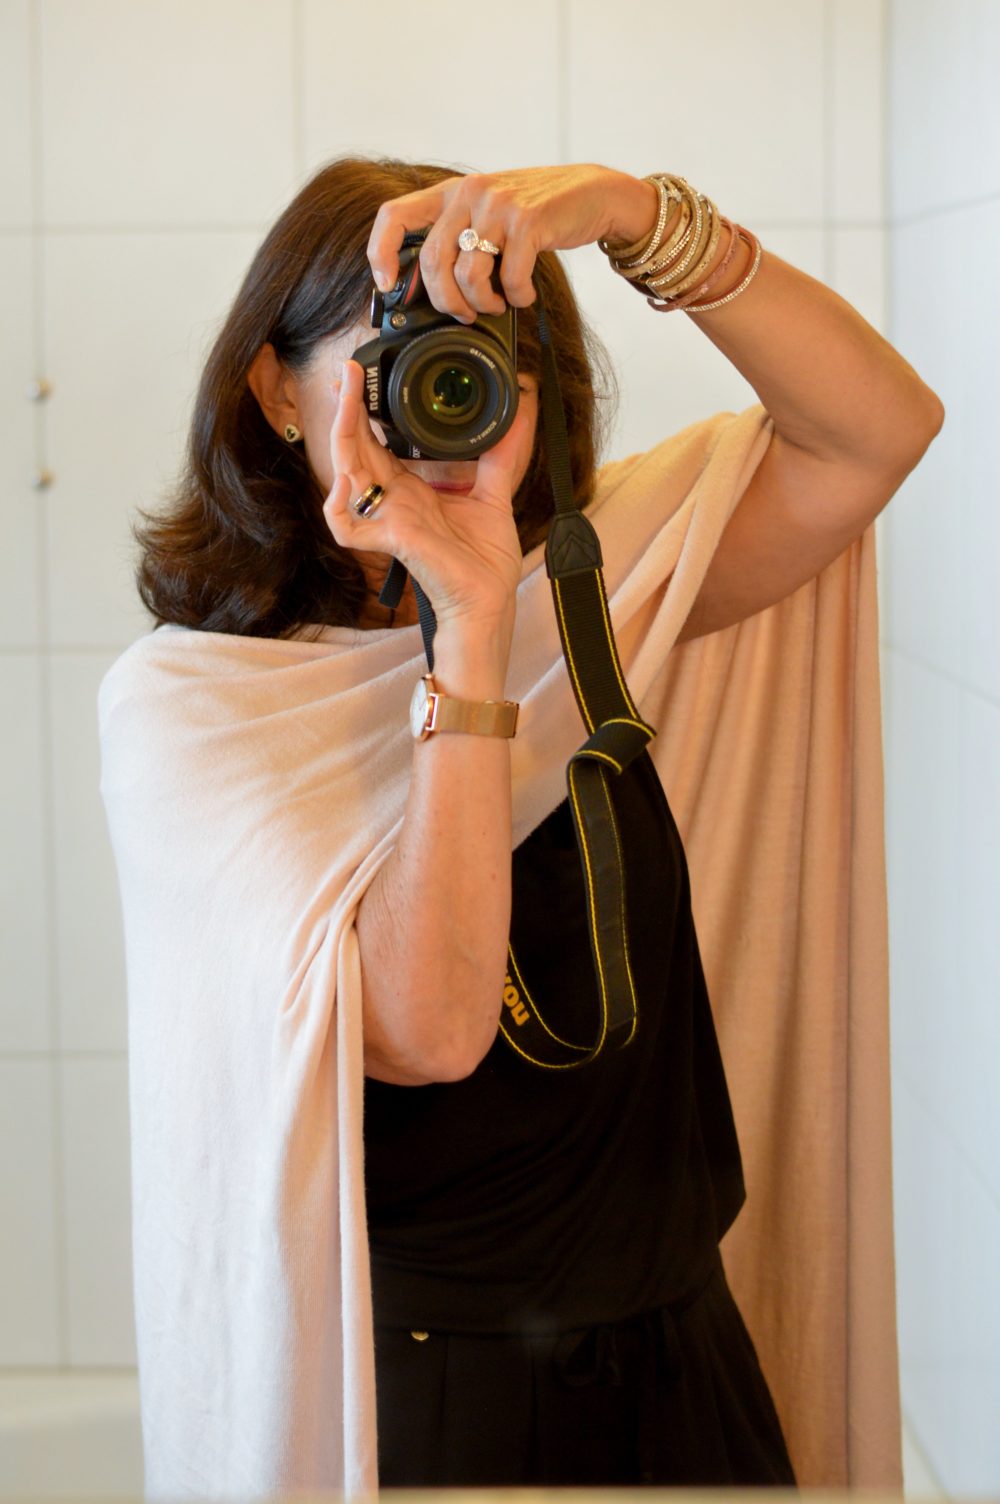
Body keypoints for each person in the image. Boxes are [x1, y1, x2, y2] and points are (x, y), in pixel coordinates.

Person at [100, 157, 943, 1498]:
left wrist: (629, 212)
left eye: (493, 362)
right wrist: (471, 630)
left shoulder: (593, 595)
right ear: (274, 388)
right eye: (397, 358)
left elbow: (876, 430)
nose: (443, 404)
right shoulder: (195, 708)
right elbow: (427, 1030)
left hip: (687, 1359)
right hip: (439, 1397)